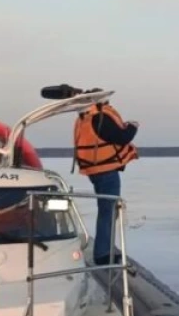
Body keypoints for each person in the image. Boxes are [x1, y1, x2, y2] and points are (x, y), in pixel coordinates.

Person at [40, 84, 139, 265]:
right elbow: (121, 136)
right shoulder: (100, 118)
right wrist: (133, 126)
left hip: (95, 171)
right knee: (108, 212)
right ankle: (103, 254)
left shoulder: (86, 117)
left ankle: (104, 249)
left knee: (106, 210)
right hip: (106, 171)